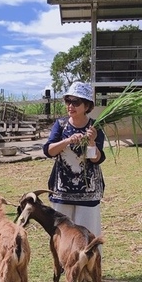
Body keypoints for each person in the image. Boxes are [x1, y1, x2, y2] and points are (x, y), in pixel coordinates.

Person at [42, 81, 107, 237]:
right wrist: (67, 141)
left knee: (88, 237)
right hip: (62, 192)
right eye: (68, 101)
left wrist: (91, 142)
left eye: (76, 102)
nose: (70, 105)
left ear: (86, 106)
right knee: (62, 236)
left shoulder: (94, 127)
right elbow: (49, 151)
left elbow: (96, 159)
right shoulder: (61, 125)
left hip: (88, 193)